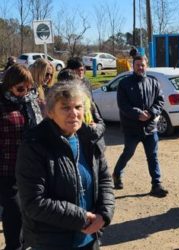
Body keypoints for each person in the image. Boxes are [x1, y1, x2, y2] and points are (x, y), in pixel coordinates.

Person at [15, 82, 115, 249]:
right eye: (65, 108)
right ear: (51, 112)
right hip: (52, 242)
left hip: (90, 239)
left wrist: (104, 214)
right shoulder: (35, 145)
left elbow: (104, 179)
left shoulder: (89, 139)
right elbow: (34, 201)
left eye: (78, 107)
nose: (74, 113)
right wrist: (82, 218)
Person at [112, 55, 168, 197]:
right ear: (133, 65)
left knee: (153, 156)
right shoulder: (124, 84)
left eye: (142, 65)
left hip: (150, 127)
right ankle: (117, 174)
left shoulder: (153, 82)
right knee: (128, 153)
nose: (140, 67)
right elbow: (123, 105)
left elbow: (160, 101)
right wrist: (138, 114)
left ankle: (156, 184)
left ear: (146, 66)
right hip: (131, 128)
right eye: (137, 65)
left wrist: (150, 113)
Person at [0, 64, 42, 250]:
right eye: (20, 88)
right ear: (9, 85)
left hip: (30, 170)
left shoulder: (30, 102)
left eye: (28, 88)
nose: (24, 92)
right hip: (6, 171)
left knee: (29, 215)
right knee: (14, 215)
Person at [57, 69, 106, 152]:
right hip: (73, 148)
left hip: (94, 147)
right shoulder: (57, 105)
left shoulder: (87, 98)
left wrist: (95, 127)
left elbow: (101, 124)